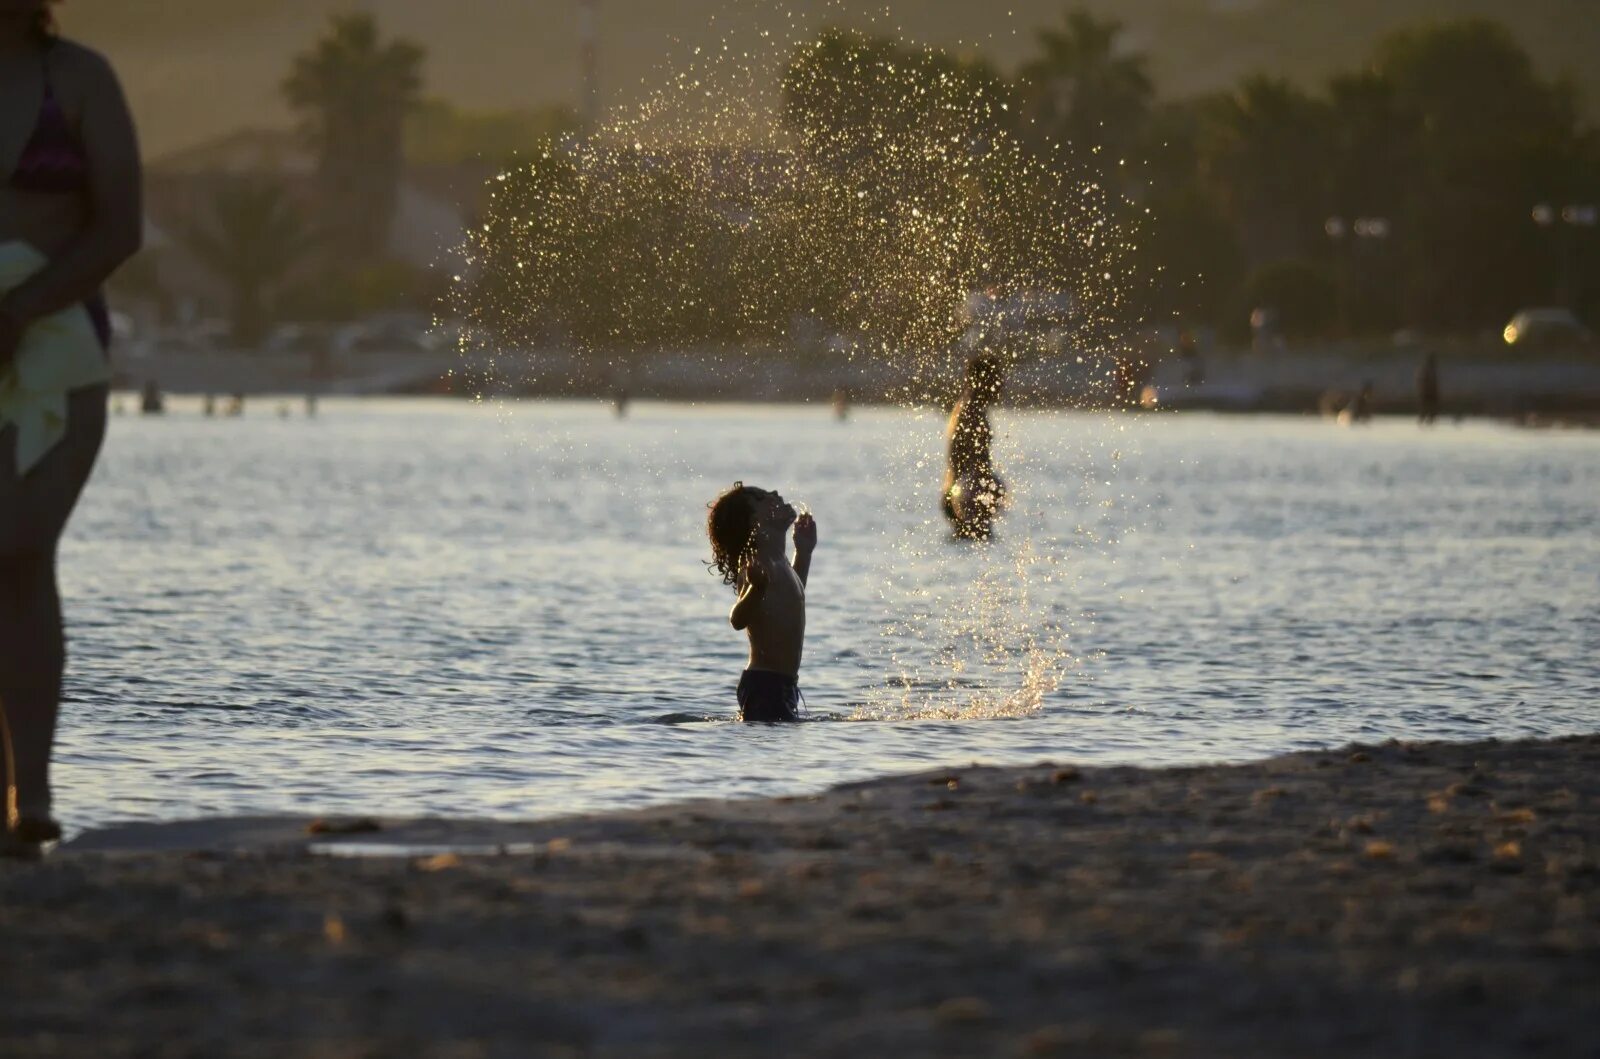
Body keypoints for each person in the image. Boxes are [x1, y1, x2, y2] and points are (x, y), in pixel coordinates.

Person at [0, 0, 142, 853]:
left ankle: (36, 793)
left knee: (18, 550)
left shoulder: (80, 79)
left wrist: (22, 309)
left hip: (57, 347)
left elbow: (118, 224)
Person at [706, 483, 817, 722]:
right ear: (754, 523)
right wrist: (755, 589)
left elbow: (791, 598)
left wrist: (804, 552)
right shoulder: (755, 566)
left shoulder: (780, 562)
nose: (775, 494)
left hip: (784, 684)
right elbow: (737, 619)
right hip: (764, 685)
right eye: (763, 497)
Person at [941, 352, 1007, 540]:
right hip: (966, 496)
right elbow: (971, 465)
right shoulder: (971, 412)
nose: (1002, 386)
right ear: (984, 381)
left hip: (958, 494)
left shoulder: (968, 406)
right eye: (997, 379)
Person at [1416, 352, 1439, 425]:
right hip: (1427, 392)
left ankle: (1429, 420)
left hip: (1430, 392)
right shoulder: (1426, 370)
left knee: (1430, 407)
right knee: (1426, 407)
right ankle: (1423, 420)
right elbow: (1422, 381)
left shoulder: (1431, 370)